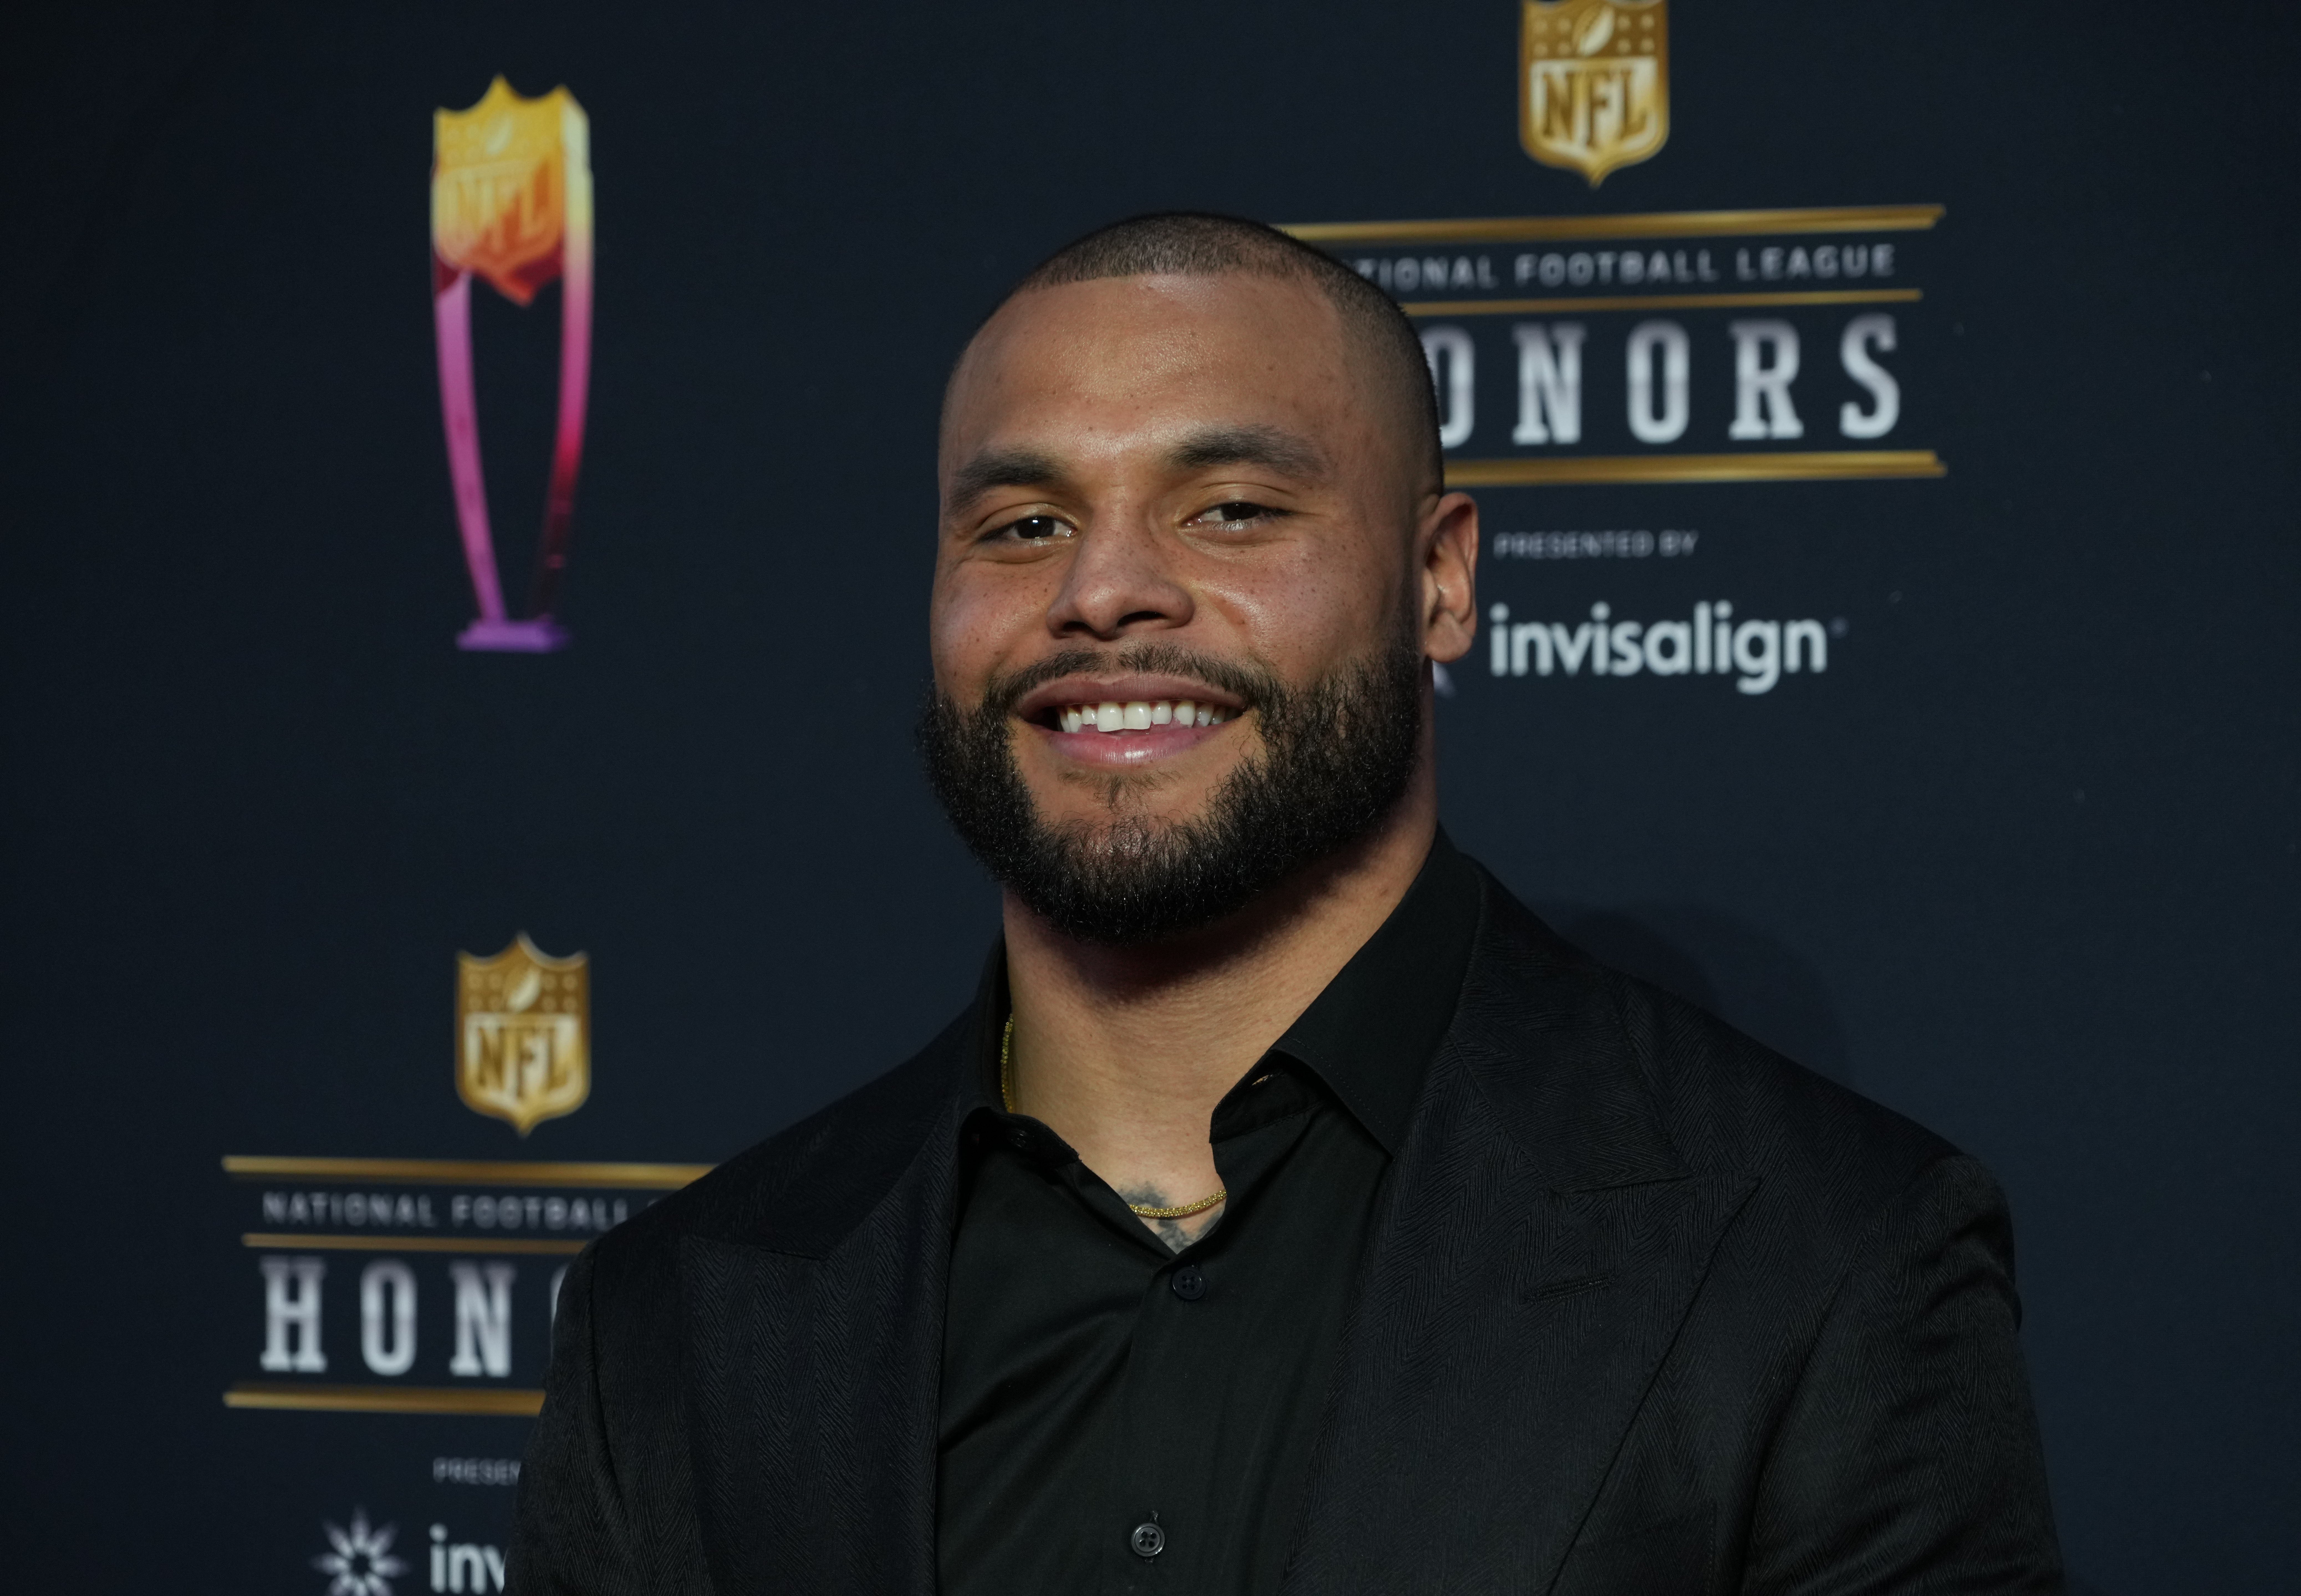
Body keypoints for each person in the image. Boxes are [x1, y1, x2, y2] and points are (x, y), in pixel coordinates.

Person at [510, 213, 2064, 1594]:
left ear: (1440, 577)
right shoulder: (675, 1327)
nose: (1103, 589)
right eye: (1023, 524)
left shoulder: (1824, 1259)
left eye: (1232, 508)